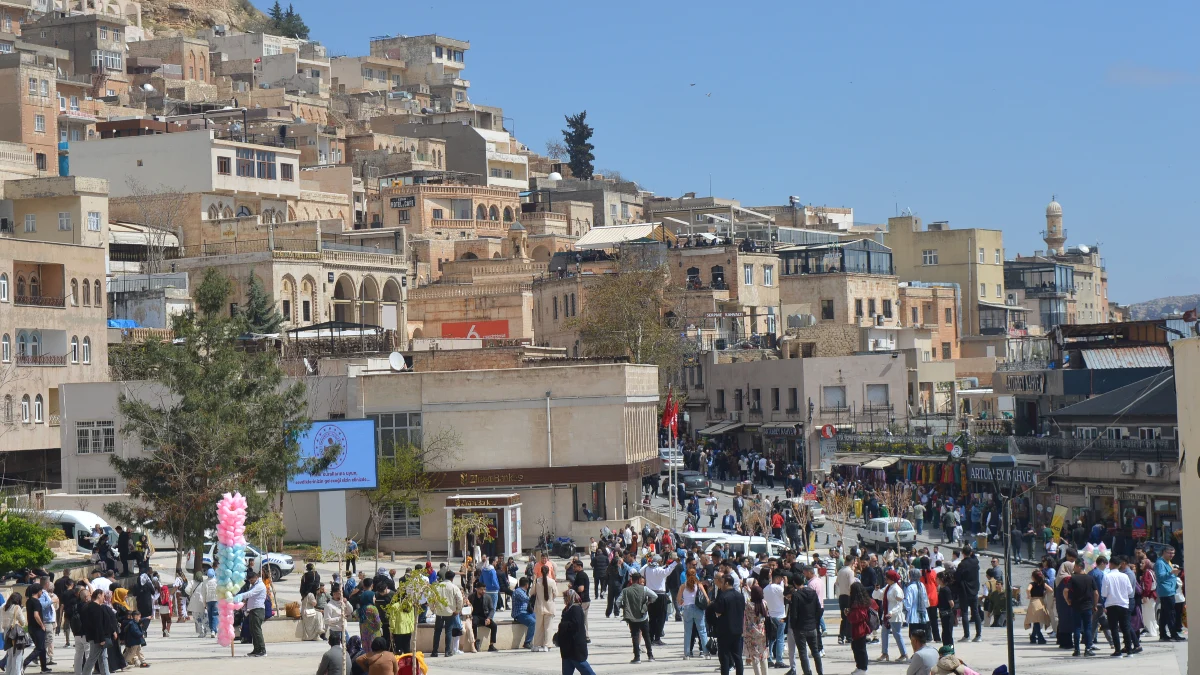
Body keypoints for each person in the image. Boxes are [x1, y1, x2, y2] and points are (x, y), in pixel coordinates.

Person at [788, 566, 824, 675]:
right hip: (812, 626)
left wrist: (793, 627)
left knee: (803, 653)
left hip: (800, 628)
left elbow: (794, 614)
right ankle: (820, 672)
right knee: (815, 652)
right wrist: (814, 621)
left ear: (794, 583)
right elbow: (818, 609)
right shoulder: (812, 592)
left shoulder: (796, 595)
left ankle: (807, 672)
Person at [1102, 556, 1137, 657]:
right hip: (1124, 604)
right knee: (1125, 627)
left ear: (1111, 564)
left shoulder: (1107, 576)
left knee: (1114, 628)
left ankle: (1118, 651)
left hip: (1111, 604)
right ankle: (1129, 650)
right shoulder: (1125, 576)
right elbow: (1130, 591)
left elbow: (1104, 593)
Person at [618, 572, 656, 663]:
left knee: (635, 636)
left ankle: (637, 657)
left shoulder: (626, 590)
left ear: (631, 580)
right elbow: (655, 596)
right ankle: (650, 656)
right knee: (646, 636)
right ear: (639, 580)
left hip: (632, 617)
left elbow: (617, 601)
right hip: (643, 617)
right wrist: (648, 603)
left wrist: (623, 606)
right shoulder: (644, 589)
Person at [557, 589, 597, 675]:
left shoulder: (576, 609)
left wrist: (562, 626)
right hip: (567, 648)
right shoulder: (567, 609)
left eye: (565, 597)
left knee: (585, 669)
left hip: (575, 647)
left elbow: (576, 625)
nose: (564, 599)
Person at [713, 573, 746, 675]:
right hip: (737, 630)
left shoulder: (723, 596)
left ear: (726, 583)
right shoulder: (740, 596)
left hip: (725, 630)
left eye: (722, 583)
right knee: (737, 656)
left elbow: (718, 611)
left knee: (725, 657)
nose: (720, 585)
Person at [1066, 560, 1098, 656]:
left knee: (1077, 627)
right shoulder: (1090, 578)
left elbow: (1065, 591)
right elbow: (1096, 593)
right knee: (1088, 627)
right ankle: (1088, 649)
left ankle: (1077, 650)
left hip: (1076, 605)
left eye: (1075, 566)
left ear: (1079, 567)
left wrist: (1067, 600)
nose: (1073, 568)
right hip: (1088, 606)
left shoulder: (1073, 578)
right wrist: (1095, 605)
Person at [875, 570, 908, 663]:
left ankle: (904, 654)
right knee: (884, 633)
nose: (886, 580)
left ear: (892, 579)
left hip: (894, 615)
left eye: (887, 578)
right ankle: (884, 653)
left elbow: (899, 604)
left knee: (897, 634)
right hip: (886, 614)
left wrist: (892, 612)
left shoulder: (897, 589)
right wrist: (876, 590)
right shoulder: (888, 587)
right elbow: (879, 596)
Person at [678, 567, 710, 660]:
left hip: (687, 608)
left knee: (688, 632)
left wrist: (683, 602)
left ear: (686, 576)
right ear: (695, 574)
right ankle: (706, 653)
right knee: (702, 631)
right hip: (698, 609)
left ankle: (687, 654)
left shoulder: (683, 586)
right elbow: (706, 598)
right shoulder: (699, 584)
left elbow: (679, 599)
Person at [235, 569, 268, 657]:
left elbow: (250, 594)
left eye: (251, 580)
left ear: (256, 577)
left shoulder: (260, 585)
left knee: (257, 630)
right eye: (249, 581)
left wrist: (241, 595)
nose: (251, 582)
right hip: (252, 610)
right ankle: (256, 649)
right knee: (253, 631)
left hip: (258, 610)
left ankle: (262, 649)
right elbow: (249, 597)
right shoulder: (253, 585)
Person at [430, 571, 463, 658]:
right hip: (450, 613)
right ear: (452, 578)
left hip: (439, 612)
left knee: (437, 632)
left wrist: (433, 609)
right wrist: (458, 610)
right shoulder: (454, 587)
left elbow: (431, 598)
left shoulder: (437, 586)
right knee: (448, 631)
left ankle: (434, 651)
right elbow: (460, 599)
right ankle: (447, 651)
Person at [1155, 546, 1184, 641]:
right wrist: (1172, 572)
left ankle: (1163, 634)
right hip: (1166, 591)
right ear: (1164, 552)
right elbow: (1160, 576)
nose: (1171, 555)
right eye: (1169, 553)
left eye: (1173, 553)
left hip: (1170, 590)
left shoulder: (1167, 562)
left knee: (1164, 614)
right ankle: (1173, 634)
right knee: (1171, 613)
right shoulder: (1160, 563)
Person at [847, 582, 875, 675]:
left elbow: (857, 617)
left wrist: (849, 614)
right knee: (855, 647)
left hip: (860, 629)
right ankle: (859, 666)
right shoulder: (861, 601)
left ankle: (863, 668)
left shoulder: (860, 604)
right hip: (857, 628)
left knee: (860, 648)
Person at [954, 547, 981, 642]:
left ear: (962, 553)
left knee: (964, 612)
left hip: (964, 590)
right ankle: (978, 635)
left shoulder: (962, 564)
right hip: (974, 590)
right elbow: (975, 558)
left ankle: (967, 635)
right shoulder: (975, 562)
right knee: (975, 612)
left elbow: (957, 577)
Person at [530, 565, 559, 653]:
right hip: (549, 607)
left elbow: (532, 592)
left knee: (538, 627)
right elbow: (556, 594)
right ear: (548, 572)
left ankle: (536, 645)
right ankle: (547, 645)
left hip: (539, 607)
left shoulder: (537, 581)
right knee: (548, 628)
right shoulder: (552, 582)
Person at [21, 584, 47, 673]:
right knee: (39, 648)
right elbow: (36, 615)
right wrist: (42, 625)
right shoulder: (36, 602)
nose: (42, 593)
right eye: (41, 591)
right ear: (38, 591)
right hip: (37, 628)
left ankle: (44, 667)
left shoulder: (29, 601)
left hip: (31, 627)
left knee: (42, 647)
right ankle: (25, 662)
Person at [763, 571, 787, 668]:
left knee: (770, 639)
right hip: (781, 616)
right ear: (777, 578)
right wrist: (785, 585)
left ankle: (769, 659)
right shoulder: (779, 588)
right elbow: (786, 597)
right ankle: (779, 660)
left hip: (770, 615)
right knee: (780, 638)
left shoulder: (765, 589)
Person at [743, 584, 768, 675]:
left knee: (755, 657)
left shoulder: (749, 605)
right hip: (762, 632)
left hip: (751, 633)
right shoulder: (764, 603)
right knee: (763, 655)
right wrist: (751, 592)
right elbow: (758, 598)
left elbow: (749, 600)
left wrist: (748, 591)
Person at [467, 581, 497, 652]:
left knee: (494, 626)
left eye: (484, 589)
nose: (483, 591)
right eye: (481, 589)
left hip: (485, 616)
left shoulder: (487, 597)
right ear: (477, 589)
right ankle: (474, 642)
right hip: (475, 616)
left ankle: (491, 645)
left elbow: (492, 609)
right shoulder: (471, 597)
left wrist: (489, 618)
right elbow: (468, 608)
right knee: (474, 624)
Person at [2, 592, 27, 675]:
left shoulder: (3, 607)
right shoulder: (16, 607)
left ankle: (8, 672)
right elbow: (23, 622)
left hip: (6, 633)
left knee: (9, 655)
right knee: (17, 656)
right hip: (15, 634)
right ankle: (16, 673)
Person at [1024, 569, 1051, 644]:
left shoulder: (1032, 583)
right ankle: (1034, 636)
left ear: (1033, 577)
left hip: (1034, 602)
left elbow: (1027, 589)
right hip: (1041, 602)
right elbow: (1051, 590)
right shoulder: (1043, 583)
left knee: (1036, 621)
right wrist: (1044, 593)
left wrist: (1028, 595)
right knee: (1037, 621)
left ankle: (1039, 637)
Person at [510, 577, 537, 650]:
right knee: (532, 622)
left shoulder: (522, 591)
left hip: (526, 612)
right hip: (519, 614)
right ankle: (527, 642)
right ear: (527, 585)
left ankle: (536, 641)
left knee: (538, 618)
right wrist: (535, 596)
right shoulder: (518, 591)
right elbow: (527, 599)